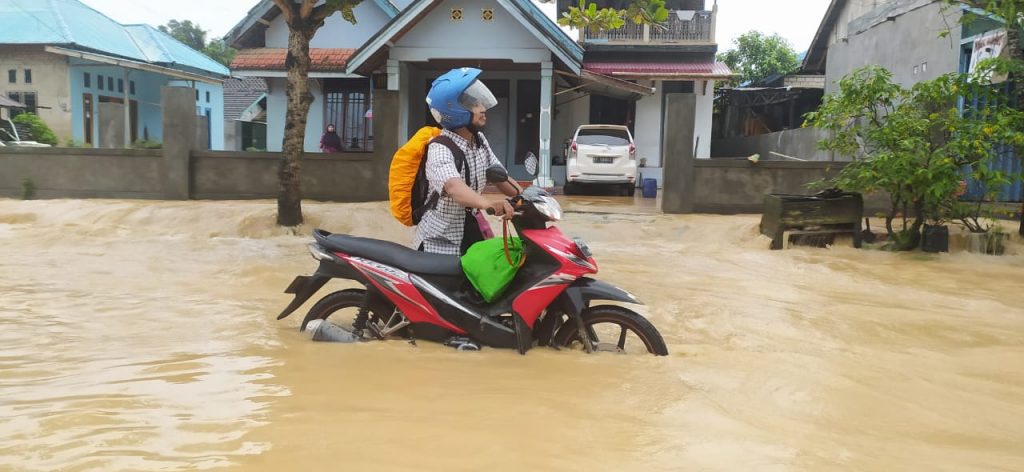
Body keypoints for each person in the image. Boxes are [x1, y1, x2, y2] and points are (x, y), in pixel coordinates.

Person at [415, 67, 521, 255]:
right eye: (474, 105)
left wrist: (527, 198)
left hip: (470, 229)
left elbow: (500, 176)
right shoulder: (439, 148)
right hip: (441, 241)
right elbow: (455, 188)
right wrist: (489, 204)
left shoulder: (479, 141)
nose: (482, 109)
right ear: (453, 110)